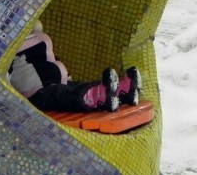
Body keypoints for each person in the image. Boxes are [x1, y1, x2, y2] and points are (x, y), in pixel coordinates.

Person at [9, 20, 141, 113]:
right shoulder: (13, 47)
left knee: (68, 90)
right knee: (61, 94)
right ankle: (99, 96)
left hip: (47, 84)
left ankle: (118, 92)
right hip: (37, 90)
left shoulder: (30, 39)